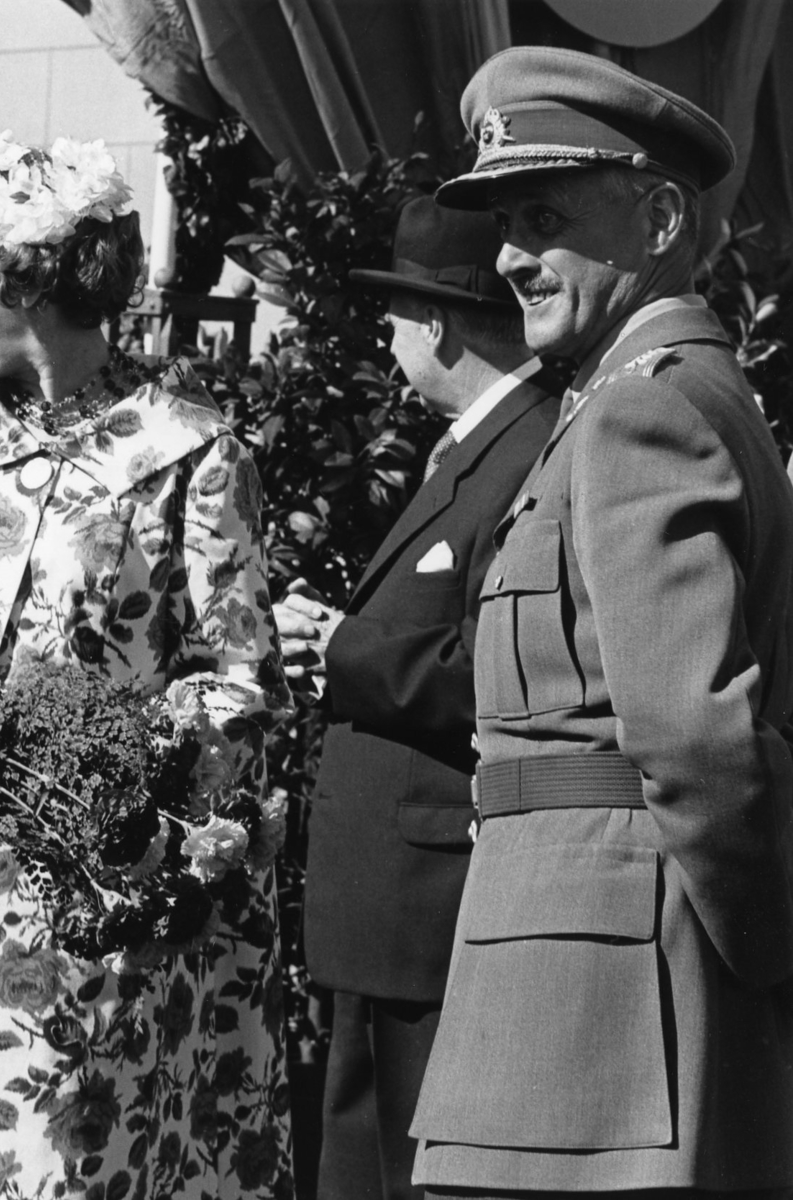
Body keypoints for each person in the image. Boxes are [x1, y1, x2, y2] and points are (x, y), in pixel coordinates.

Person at [0, 131, 294, 1199]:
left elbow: (241, 681)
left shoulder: (187, 449)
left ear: (31, 278)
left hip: (81, 916)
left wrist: (103, 757)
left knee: (50, 1168)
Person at [410, 46, 793, 1200]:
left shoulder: (643, 413)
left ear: (660, 219)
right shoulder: (627, 401)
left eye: (545, 218)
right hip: (573, 1002)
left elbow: (694, 742)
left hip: (607, 1021)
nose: (509, 257)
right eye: (505, 224)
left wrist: (768, 961)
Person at [275, 195, 560, 1200]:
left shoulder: (528, 447)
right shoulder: (481, 443)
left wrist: (340, 648)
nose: (388, 342)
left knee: (403, 1171)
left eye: (394, 318)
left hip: (426, 903)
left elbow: (508, 667)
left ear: (435, 324)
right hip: (390, 904)